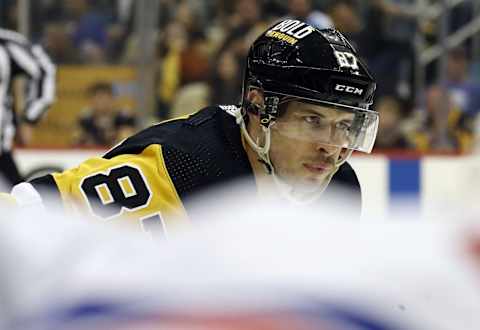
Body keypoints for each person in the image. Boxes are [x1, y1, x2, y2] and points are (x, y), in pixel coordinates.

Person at [8, 20, 378, 233]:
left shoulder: (341, 189)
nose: (333, 147)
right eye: (313, 120)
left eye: (346, 126)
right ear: (258, 106)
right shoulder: (183, 166)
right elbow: (24, 218)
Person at [0, 28, 56, 188]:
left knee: (18, 202)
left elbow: (45, 70)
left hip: (1, 149)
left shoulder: (6, 43)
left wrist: (30, 117)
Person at [73, 82, 137, 147]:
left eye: (106, 98)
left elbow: (128, 139)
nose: (102, 102)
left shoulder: (124, 118)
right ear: (91, 101)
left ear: (112, 99)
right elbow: (76, 139)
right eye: (98, 98)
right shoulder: (86, 120)